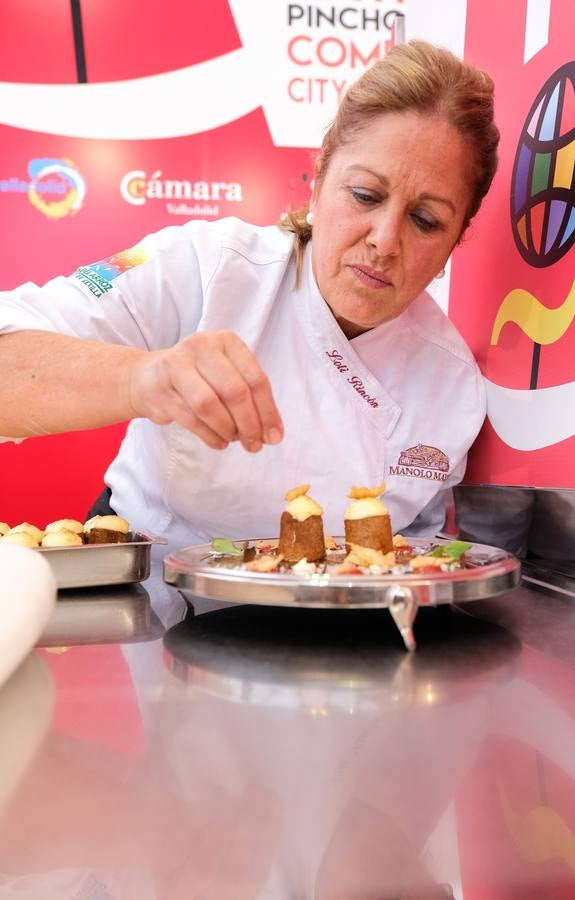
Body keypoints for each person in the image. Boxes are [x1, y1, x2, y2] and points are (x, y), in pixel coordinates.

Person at [0, 40, 499, 551]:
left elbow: (417, 560)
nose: (384, 240)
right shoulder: (203, 265)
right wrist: (145, 379)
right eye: (365, 196)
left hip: (328, 618)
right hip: (146, 584)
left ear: (455, 240)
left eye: (426, 221)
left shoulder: (453, 389)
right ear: (319, 179)